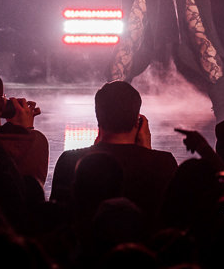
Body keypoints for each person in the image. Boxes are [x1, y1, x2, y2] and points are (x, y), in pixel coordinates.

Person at [50, 81, 178, 221]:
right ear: (138, 122)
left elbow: (56, 218)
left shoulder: (70, 160)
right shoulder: (163, 163)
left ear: (99, 118)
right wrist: (146, 152)